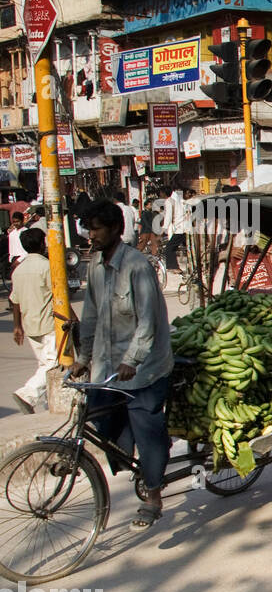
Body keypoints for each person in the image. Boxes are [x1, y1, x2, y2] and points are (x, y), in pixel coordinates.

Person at [68, 200, 173, 530]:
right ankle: (142, 465)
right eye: (89, 229)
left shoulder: (137, 266)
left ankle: (154, 495)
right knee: (104, 423)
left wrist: (132, 360)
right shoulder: (95, 265)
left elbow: (148, 322)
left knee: (147, 430)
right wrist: (83, 358)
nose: (91, 235)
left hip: (145, 368)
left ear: (115, 229)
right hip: (108, 367)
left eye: (97, 228)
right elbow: (90, 316)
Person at [10, 229, 56, 413]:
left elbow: (15, 300)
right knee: (52, 364)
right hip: (49, 324)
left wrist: (17, 326)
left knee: (44, 364)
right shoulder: (47, 266)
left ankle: (49, 401)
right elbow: (58, 296)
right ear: (41, 244)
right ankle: (27, 394)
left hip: (30, 324)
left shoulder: (18, 270)